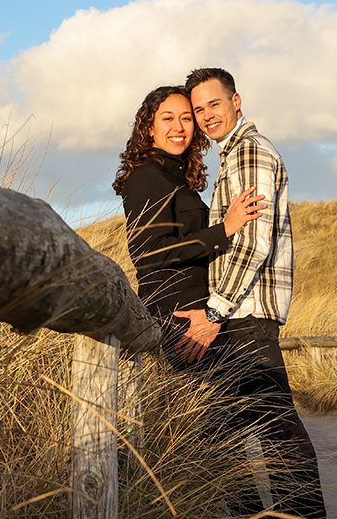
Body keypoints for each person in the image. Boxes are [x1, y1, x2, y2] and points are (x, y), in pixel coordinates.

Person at [173, 67, 337, 519]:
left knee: (277, 432)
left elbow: (255, 243)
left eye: (214, 104)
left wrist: (216, 313)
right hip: (239, 315)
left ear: (236, 101)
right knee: (225, 427)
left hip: (246, 316)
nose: (207, 115)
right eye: (200, 109)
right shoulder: (231, 157)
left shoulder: (250, 153)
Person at [112, 85, 265, 358]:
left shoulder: (178, 179)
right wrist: (224, 230)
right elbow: (149, 254)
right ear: (149, 128)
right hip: (179, 320)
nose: (179, 127)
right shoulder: (148, 176)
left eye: (186, 118)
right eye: (168, 118)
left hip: (197, 318)